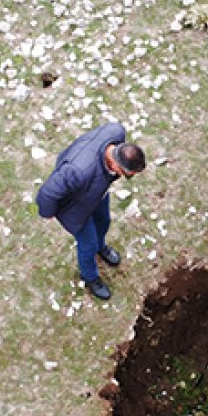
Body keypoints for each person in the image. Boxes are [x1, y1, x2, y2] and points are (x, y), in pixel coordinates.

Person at [36, 122, 146, 300]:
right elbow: (47, 193)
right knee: (87, 245)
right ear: (116, 164)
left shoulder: (116, 132)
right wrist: (47, 212)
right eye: (128, 174)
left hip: (97, 193)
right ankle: (90, 277)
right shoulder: (77, 171)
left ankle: (101, 247)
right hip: (75, 208)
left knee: (104, 222)